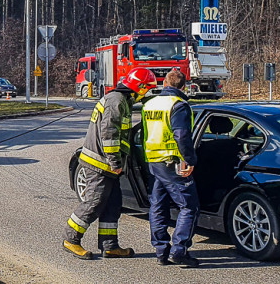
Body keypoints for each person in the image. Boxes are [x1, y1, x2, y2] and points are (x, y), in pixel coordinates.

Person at [63, 66, 157, 260]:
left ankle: (109, 246)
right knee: (94, 202)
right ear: (138, 86)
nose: (146, 92)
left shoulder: (122, 99)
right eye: (146, 88)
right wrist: (115, 161)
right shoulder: (116, 101)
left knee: (113, 205)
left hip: (107, 165)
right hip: (100, 163)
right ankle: (71, 239)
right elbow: (109, 135)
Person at [142, 68, 201, 267]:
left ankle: (161, 251)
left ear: (165, 84)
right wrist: (190, 160)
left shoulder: (150, 104)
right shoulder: (179, 105)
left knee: (158, 205)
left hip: (154, 160)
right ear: (183, 86)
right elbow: (182, 135)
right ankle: (179, 250)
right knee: (188, 206)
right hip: (173, 161)